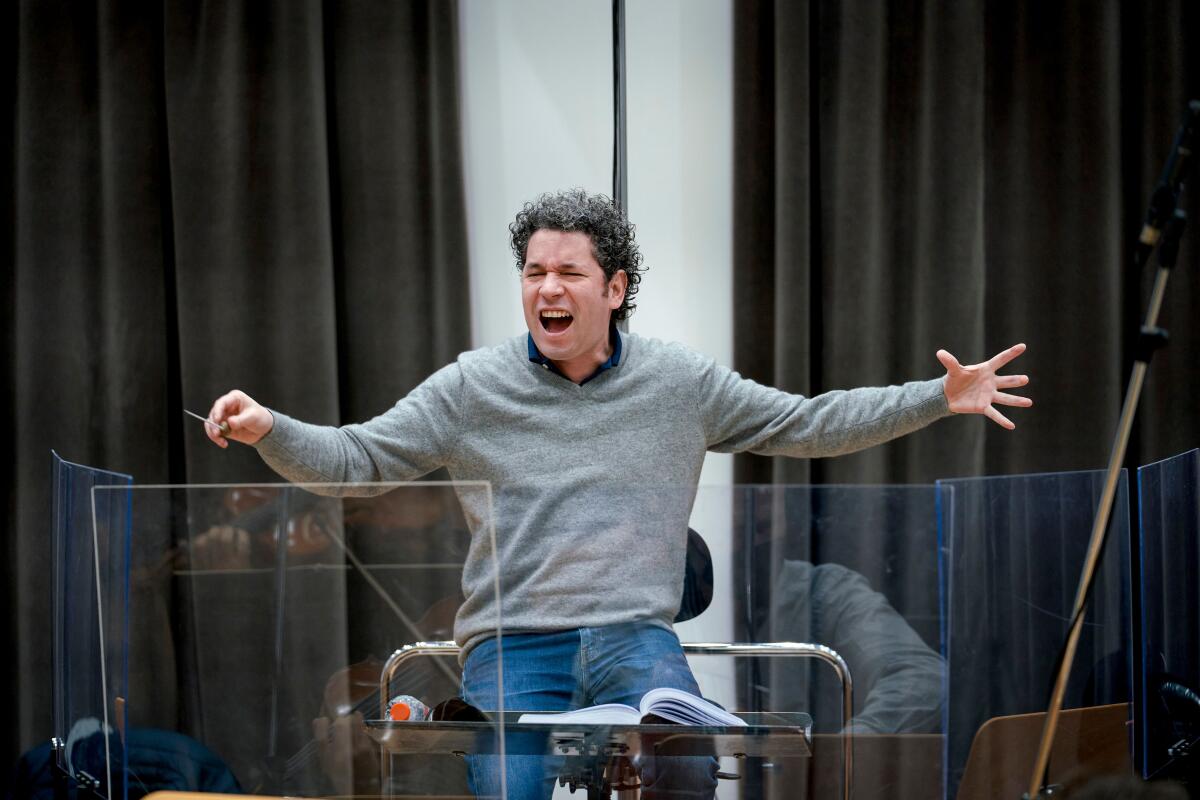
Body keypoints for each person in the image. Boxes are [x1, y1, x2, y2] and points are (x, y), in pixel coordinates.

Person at [204, 188, 1032, 798]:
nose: (547, 291)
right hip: (512, 641)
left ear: (616, 288)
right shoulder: (471, 388)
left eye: (569, 272)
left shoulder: (680, 381)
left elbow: (807, 423)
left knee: (687, 770)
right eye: (534, 273)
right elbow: (356, 460)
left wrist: (938, 397)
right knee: (504, 785)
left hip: (635, 637)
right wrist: (268, 427)